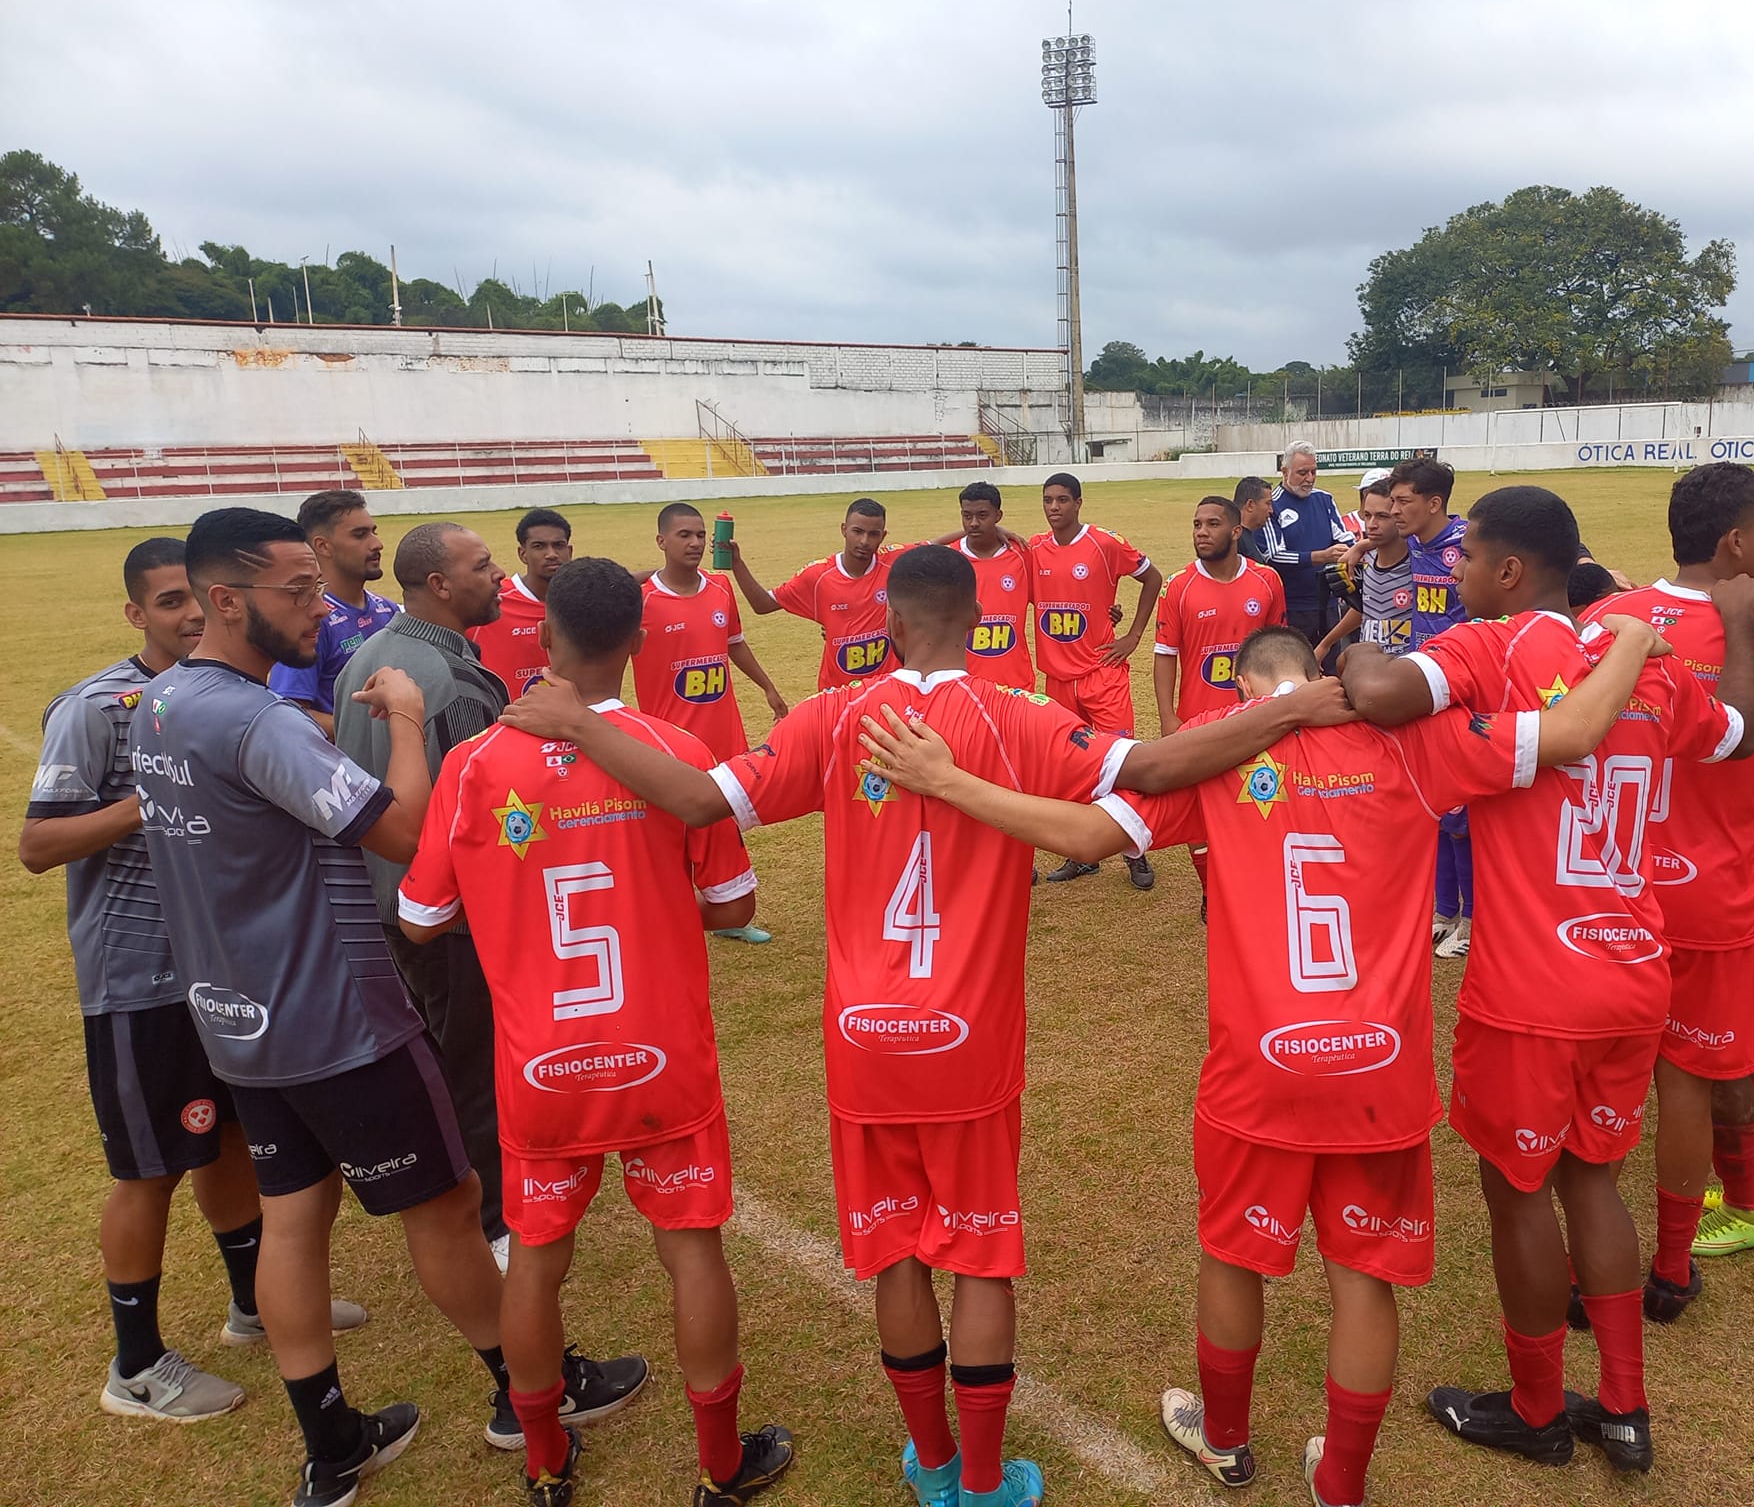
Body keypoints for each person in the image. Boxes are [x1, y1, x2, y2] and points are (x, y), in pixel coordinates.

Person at [496, 545, 1353, 1507]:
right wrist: (1285, 709)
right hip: (969, 1043)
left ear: (890, 625)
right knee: (981, 1252)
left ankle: (932, 1466)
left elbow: (698, 799)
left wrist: (576, 724)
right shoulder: (1019, 715)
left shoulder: (835, 714)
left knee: (896, 1249)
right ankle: (984, 1483)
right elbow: (1152, 765)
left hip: (864, 1043)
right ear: (983, 614)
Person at [859, 618, 1681, 1505]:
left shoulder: (1215, 760)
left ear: (1244, 696)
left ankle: (1224, 1442)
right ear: (1319, 672)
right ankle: (1341, 1481)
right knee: (1362, 1280)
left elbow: (1084, 838)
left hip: (1261, 1070)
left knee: (1233, 1257)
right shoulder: (1414, 745)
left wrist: (945, 780)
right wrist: (1633, 641)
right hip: (1380, 1067)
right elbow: (1569, 733)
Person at [132, 508, 644, 1507]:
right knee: (449, 1206)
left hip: (238, 1018)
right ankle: (524, 1394)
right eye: (294, 591)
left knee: (294, 1220)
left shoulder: (160, 705)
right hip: (334, 1014)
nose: (317, 609)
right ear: (226, 600)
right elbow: (405, 828)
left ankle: (331, 1447)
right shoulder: (255, 718)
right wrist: (405, 720)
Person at [1341, 485, 1754, 1476]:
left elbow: (1381, 694)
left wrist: (1362, 644)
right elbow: (1737, 732)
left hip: (1532, 991)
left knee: (1518, 1193)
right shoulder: (1648, 669)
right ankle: (1622, 1407)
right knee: (1591, 1180)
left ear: (1510, 571)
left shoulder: (1493, 649)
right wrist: (1736, 630)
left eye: (1465, 556)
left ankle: (1535, 1408)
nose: (1450, 568)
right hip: (1632, 972)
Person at [398, 557, 794, 1507]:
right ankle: (720, 1465)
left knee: (538, 1257)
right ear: (640, 641)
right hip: (661, 1056)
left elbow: (418, 920)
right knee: (692, 1250)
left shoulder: (475, 763)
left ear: (543, 638)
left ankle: (544, 1461)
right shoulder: (674, 754)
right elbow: (732, 902)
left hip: (543, 1065)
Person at [21, 538, 366, 1424]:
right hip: (138, 979)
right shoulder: (98, 709)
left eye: (194, 599)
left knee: (227, 1138)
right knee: (149, 1171)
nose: (186, 615)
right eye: (165, 602)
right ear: (137, 613)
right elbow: (38, 846)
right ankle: (134, 1366)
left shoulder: (220, 701)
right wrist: (159, 795)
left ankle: (253, 1300)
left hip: (217, 969)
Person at [1592, 466, 1754, 1291]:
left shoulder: (1609, 619)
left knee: (1598, 1073)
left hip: (1611, 887)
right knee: (1688, 1082)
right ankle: (1671, 1266)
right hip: (1714, 898)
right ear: (1735, 540)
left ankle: (1592, 1249)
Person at [333, 521, 517, 1263]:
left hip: (388, 900)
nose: (499, 573)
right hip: (450, 916)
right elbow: (478, 820)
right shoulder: (451, 685)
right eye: (482, 565)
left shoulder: (371, 656)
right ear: (439, 585)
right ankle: (495, 1222)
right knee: (473, 1065)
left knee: (442, 1054)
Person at [635, 502, 788, 947]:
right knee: (670, 831)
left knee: (725, 827)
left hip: (723, 735)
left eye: (701, 535)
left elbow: (734, 644)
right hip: (669, 742)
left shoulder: (720, 586)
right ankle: (671, 911)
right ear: (662, 541)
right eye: (684, 535)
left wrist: (768, 687)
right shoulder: (643, 598)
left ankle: (726, 912)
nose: (696, 543)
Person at [1030, 471, 1164, 889]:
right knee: (1069, 769)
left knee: (1121, 765)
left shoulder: (1105, 544)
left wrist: (1133, 634)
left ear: (1078, 503)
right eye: (1048, 500)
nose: (1055, 507)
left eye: (1063, 500)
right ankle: (1080, 854)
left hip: (1101, 674)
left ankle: (1135, 855)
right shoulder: (1034, 549)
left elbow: (1153, 577)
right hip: (1057, 681)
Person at [1151, 496, 1285, 912]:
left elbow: (1278, 650)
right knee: (1200, 814)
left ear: (1235, 532)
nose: (1201, 533)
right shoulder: (1179, 586)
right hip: (1199, 720)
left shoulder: (1267, 581)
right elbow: (1164, 654)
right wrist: (1169, 717)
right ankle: (1212, 891)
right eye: (1196, 525)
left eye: (1211, 524)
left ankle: (1252, 885)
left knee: (1260, 804)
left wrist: (1280, 707)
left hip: (1256, 720)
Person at [1388, 457, 1473, 957]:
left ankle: (1474, 919)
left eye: (1403, 502)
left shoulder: (1468, 543)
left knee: (1461, 812)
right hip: (1425, 682)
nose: (1395, 512)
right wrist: (1357, 548)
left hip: (1462, 684)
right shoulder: (1417, 542)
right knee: (1436, 806)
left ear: (1434, 503)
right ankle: (1444, 909)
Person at [727, 497, 905, 691]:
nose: (864, 541)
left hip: (887, 689)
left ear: (883, 536)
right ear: (844, 529)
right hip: (838, 693)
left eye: (873, 534)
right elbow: (762, 605)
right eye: (857, 531)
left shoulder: (894, 563)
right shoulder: (818, 576)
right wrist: (737, 564)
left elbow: (937, 546)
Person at [267, 490, 397, 735]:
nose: (376, 544)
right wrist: (368, 735)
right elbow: (289, 712)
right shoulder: (311, 621)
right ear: (323, 546)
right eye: (360, 535)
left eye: (374, 532)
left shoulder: (388, 610)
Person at [1254, 443, 1354, 664]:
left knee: (1331, 669)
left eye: (1313, 471)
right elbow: (1274, 556)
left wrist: (1352, 550)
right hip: (1292, 606)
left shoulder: (1324, 499)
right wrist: (1321, 556)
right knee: (1296, 670)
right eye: (1302, 473)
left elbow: (1345, 536)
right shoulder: (1273, 505)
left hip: (1328, 604)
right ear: (1285, 471)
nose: (1309, 478)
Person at [473, 508, 574, 697]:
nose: (551, 554)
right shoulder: (491, 598)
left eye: (558, 545)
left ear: (569, 551)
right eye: (539, 546)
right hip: (504, 721)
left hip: (566, 721)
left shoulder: (584, 600)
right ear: (522, 554)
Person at [1316, 476, 1413, 665]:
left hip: (1406, 675)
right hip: (1368, 670)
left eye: (1382, 516)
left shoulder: (1420, 562)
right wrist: (1325, 644)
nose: (1371, 524)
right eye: (1367, 516)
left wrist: (1361, 545)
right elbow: (1366, 608)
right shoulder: (1365, 559)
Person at [953, 481, 1038, 691]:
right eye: (967, 515)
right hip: (966, 684)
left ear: (998, 516)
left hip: (1016, 682)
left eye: (983, 515)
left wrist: (1105, 611)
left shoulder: (1022, 554)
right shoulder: (949, 558)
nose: (973, 523)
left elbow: (1052, 598)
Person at [1233, 476, 1275, 567]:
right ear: (1250, 505)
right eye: (1268, 503)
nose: (1271, 510)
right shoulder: (1235, 540)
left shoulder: (1246, 536)